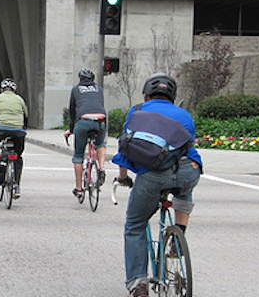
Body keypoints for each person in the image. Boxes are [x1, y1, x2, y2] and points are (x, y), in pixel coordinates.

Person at [112, 73, 203, 297]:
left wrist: (123, 177)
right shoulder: (185, 115)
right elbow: (186, 145)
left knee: (134, 224)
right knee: (185, 188)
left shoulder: (137, 111)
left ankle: (138, 283)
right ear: (172, 96)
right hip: (188, 169)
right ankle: (178, 235)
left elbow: (126, 147)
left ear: (145, 95)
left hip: (154, 176)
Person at [63, 68, 108, 199]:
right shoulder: (99, 89)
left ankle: (79, 189)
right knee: (100, 144)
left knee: (78, 156)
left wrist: (71, 130)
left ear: (80, 79)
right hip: (101, 120)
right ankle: (102, 168)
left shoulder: (76, 89)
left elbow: (72, 111)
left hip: (84, 121)